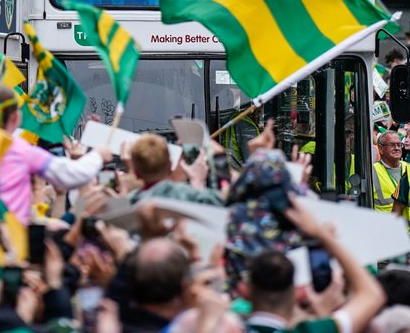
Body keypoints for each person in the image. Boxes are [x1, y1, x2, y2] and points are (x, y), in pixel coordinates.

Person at [243, 197, 384, 333]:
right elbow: (371, 295)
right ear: (296, 293)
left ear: (246, 291)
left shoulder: (226, 327)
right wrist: (321, 234)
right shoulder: (311, 330)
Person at [0, 85, 109, 224]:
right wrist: (98, 154)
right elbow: (70, 174)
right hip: (9, 233)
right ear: (16, 117)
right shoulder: (18, 150)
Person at [128, 134, 222, 206]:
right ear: (170, 165)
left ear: (136, 173)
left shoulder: (130, 202)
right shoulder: (185, 195)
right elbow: (220, 206)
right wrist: (198, 182)